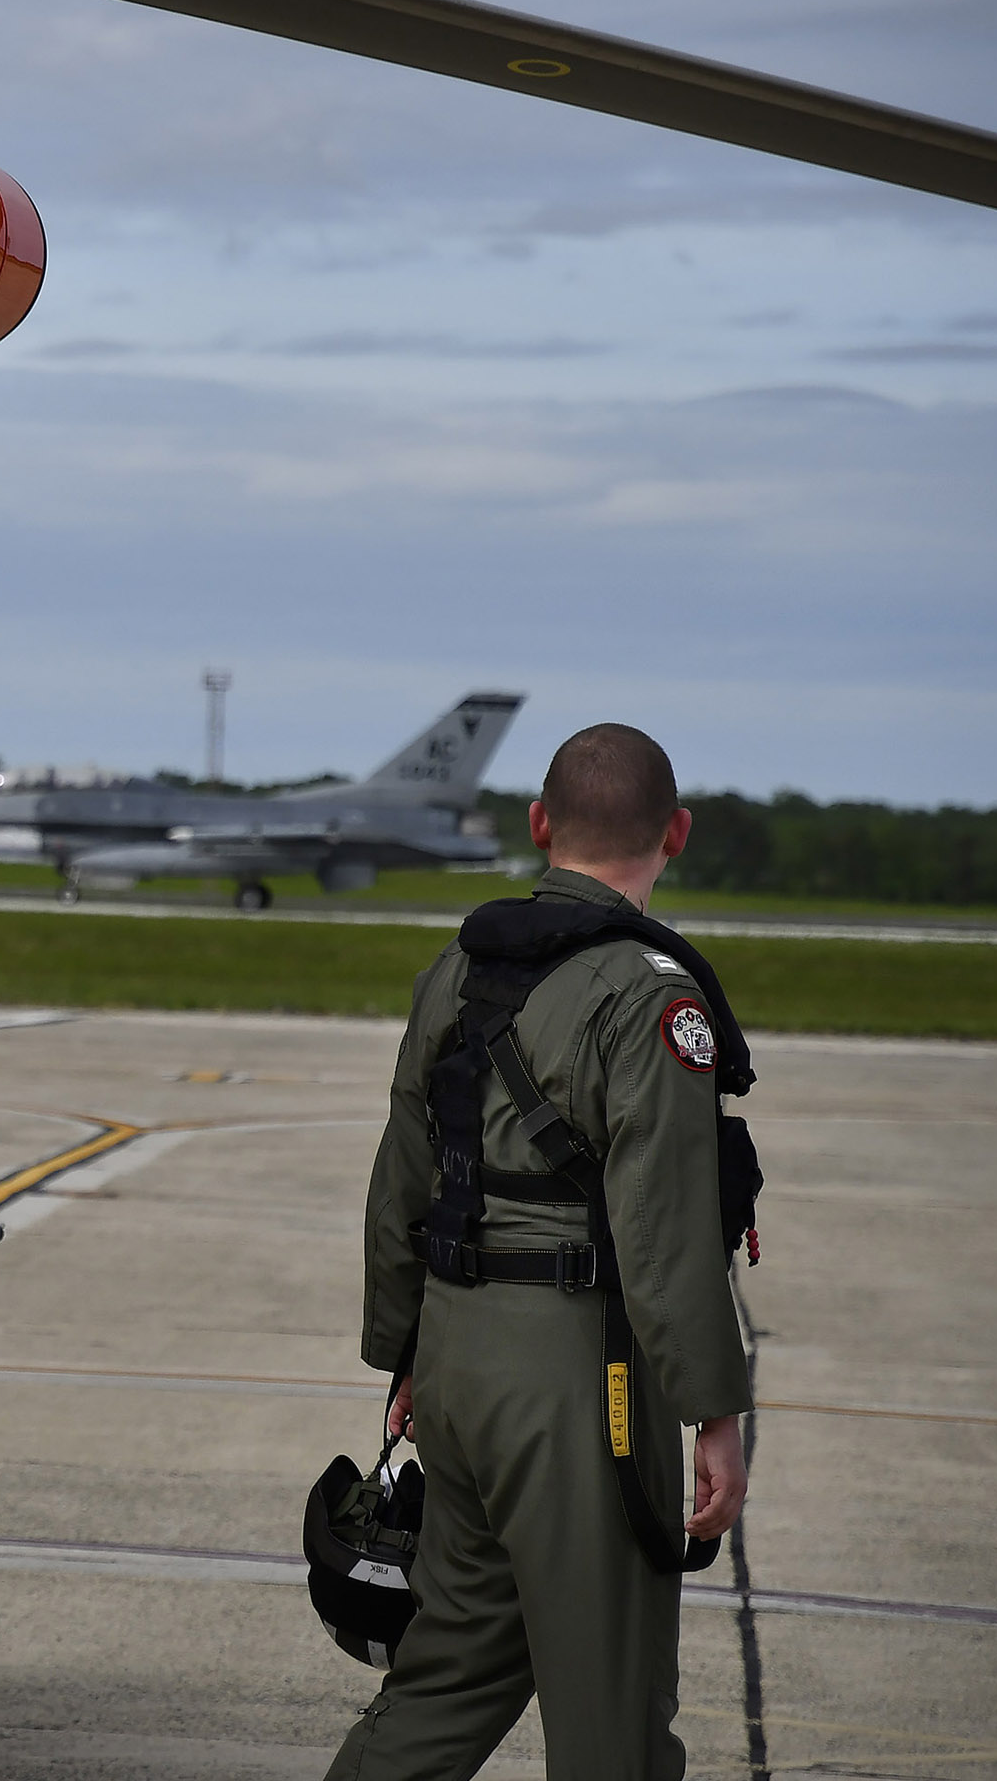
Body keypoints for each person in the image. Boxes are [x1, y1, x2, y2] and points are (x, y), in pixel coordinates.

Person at [331, 723, 753, 1780]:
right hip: (580, 1387)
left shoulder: (457, 971)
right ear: (676, 834)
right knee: (611, 1718)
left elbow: (402, 1184)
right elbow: (658, 1234)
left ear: (535, 824)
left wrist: (406, 1358)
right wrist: (713, 1410)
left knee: (448, 1679)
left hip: (459, 1369)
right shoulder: (647, 993)